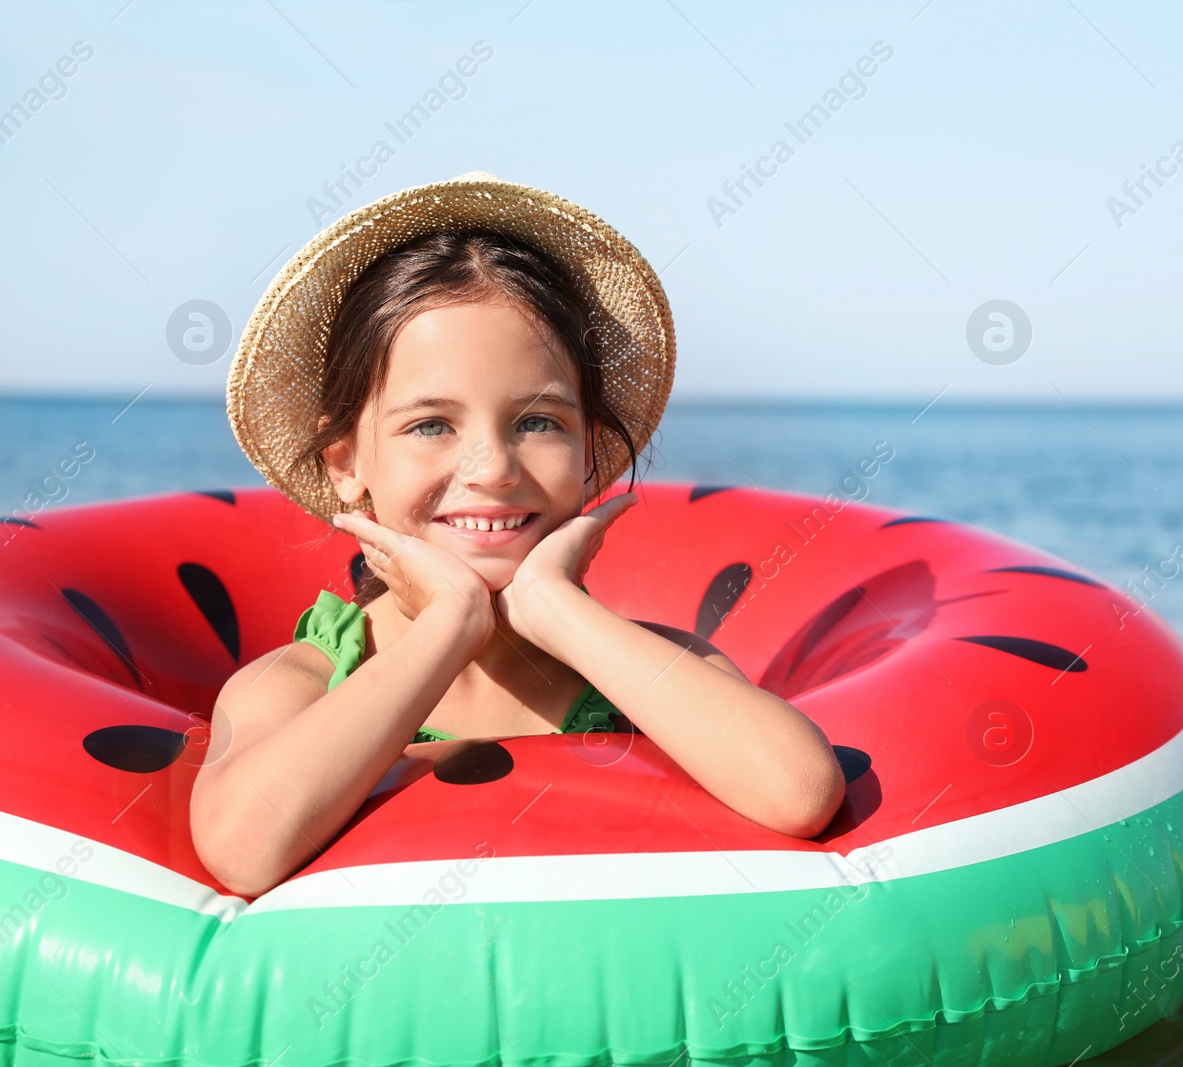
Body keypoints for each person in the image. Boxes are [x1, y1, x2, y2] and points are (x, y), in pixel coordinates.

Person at [190, 172, 846, 898]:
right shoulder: (298, 688)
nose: (494, 468)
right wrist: (452, 622)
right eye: (431, 425)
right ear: (346, 464)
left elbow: (801, 790)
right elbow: (241, 848)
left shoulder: (651, 675)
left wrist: (552, 607)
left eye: (537, 422)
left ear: (591, 451)